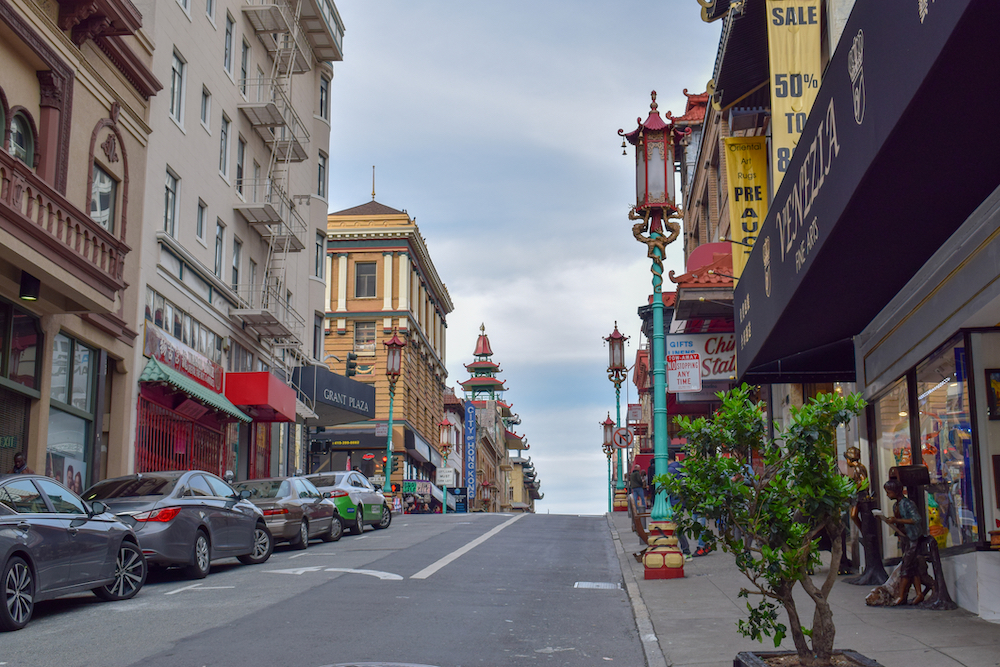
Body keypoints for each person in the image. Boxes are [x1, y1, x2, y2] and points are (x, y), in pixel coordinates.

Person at [883, 478, 931, 605]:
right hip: (905, 538)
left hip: (913, 538)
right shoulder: (896, 506)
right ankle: (919, 594)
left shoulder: (907, 504)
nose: (887, 495)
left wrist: (897, 521)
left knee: (905, 567)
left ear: (896, 491)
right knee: (912, 567)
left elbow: (916, 519)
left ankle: (900, 596)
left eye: (889, 492)